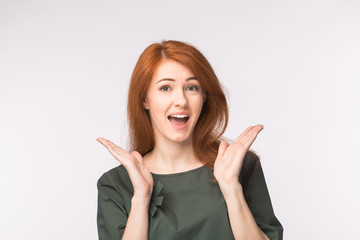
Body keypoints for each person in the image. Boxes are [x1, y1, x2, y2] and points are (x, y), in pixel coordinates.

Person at [96, 40, 283, 240]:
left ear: (204, 96)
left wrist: (231, 187)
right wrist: (141, 197)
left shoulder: (240, 166)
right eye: (165, 88)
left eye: (192, 87)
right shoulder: (115, 185)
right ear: (145, 99)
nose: (182, 101)